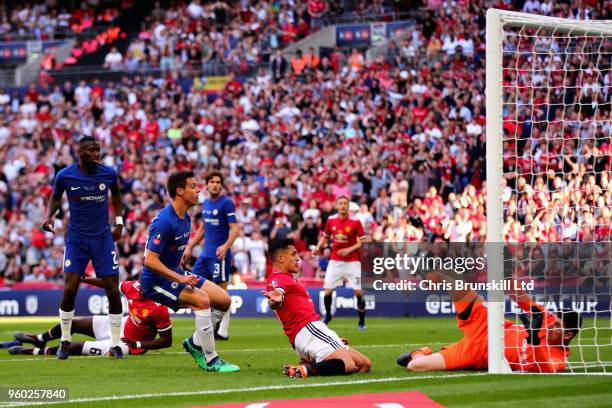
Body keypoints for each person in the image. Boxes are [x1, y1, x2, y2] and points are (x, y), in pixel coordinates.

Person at [141, 171, 239, 372]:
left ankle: (194, 343)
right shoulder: (164, 221)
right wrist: (181, 277)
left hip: (175, 274)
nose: (199, 189)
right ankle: (211, 359)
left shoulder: (185, 217)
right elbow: (149, 260)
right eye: (193, 186)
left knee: (224, 300)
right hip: (156, 282)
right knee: (202, 301)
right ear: (180, 191)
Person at [42, 136, 125, 360]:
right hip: (77, 239)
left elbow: (117, 196)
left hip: (102, 238)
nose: (96, 154)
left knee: (112, 289)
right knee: (69, 288)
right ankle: (65, 340)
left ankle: (116, 344)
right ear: (79, 152)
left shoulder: (108, 173)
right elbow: (55, 197)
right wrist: (49, 216)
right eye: (91, 150)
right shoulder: (65, 175)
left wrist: (119, 222)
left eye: (98, 150)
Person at [397, 273, 582, 373]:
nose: (551, 325)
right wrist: (506, 274)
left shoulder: (558, 359)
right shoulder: (546, 318)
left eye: (557, 325)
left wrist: (534, 339)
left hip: (478, 354)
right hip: (489, 325)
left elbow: (546, 368)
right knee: (452, 282)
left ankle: (420, 352)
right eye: (554, 321)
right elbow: (521, 298)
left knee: (415, 366)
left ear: (568, 335)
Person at [263, 238, 371, 378]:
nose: (298, 258)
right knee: (348, 364)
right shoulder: (279, 279)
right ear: (281, 258)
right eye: (294, 254)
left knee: (364, 364)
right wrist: (276, 300)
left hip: (311, 334)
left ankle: (315, 361)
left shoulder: (286, 278)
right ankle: (304, 370)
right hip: (309, 330)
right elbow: (277, 296)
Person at [2, 279, 172, 357]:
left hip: (127, 344)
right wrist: (83, 279)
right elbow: (110, 284)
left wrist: (138, 344)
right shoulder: (133, 287)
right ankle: (39, 339)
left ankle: (34, 351)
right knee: (74, 324)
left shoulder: (159, 308)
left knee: (73, 347)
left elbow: (167, 341)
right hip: (120, 325)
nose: (141, 283)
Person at [184, 170, 239, 340]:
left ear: (221, 185)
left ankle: (222, 331)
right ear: (206, 185)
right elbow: (203, 228)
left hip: (219, 255)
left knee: (222, 293)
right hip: (205, 255)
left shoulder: (227, 203)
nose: (215, 184)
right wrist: (190, 247)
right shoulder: (206, 203)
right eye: (212, 181)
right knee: (196, 286)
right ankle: (208, 325)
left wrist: (225, 246)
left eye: (218, 182)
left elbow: (235, 229)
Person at [315, 196, 367, 329]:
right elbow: (325, 236)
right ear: (336, 206)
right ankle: (328, 315)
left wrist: (348, 249)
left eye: (345, 203)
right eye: (340, 203)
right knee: (327, 291)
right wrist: (318, 247)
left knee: (358, 292)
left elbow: (363, 240)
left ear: (348, 206)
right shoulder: (331, 220)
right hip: (335, 261)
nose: (343, 205)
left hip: (352, 261)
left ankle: (361, 320)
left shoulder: (355, 221)